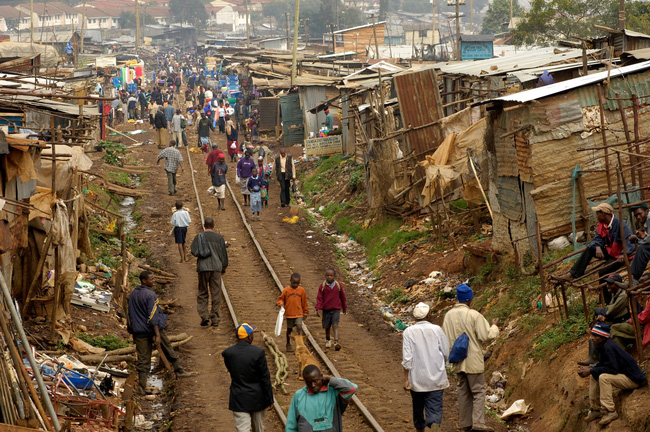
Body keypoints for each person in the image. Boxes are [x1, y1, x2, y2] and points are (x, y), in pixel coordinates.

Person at [442, 284, 498, 432]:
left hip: (457, 360)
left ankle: (464, 423)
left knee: (463, 392)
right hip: (473, 360)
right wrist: (494, 326)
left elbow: (445, 338)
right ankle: (478, 422)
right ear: (470, 299)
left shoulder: (448, 315)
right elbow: (486, 335)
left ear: (457, 298)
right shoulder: (474, 315)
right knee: (478, 391)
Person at [127, 271, 192, 394]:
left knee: (143, 358)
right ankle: (179, 370)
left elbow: (131, 314)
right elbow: (153, 316)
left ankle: (142, 387)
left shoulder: (133, 294)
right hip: (152, 329)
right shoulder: (150, 295)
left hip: (139, 331)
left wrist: (132, 331)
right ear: (144, 281)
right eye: (151, 279)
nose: (154, 280)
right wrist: (157, 334)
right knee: (168, 348)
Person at [578, 323, 646, 426]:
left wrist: (591, 370)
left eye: (595, 336)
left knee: (603, 377)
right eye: (592, 335)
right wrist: (591, 369)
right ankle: (595, 409)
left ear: (603, 337)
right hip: (624, 375)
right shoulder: (604, 345)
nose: (592, 338)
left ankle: (610, 411)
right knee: (594, 374)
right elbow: (604, 364)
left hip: (633, 380)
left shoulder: (609, 347)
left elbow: (612, 369)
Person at [556, 203, 634, 283]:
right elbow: (598, 238)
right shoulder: (601, 225)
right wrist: (597, 246)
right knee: (590, 248)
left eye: (597, 213)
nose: (596, 216)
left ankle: (605, 295)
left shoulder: (619, 223)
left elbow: (629, 239)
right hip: (611, 252)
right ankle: (572, 274)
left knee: (603, 272)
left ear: (603, 214)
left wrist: (624, 253)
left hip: (619, 256)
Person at [403, 303, 450, 432]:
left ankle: (419, 427)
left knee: (418, 405)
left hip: (417, 378)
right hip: (436, 376)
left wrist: (406, 379)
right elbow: (445, 351)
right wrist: (444, 364)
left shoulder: (408, 332)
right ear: (429, 314)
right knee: (435, 405)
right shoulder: (437, 330)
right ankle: (434, 423)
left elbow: (407, 358)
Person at [222, 323, 274, 432]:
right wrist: (269, 398)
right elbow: (264, 377)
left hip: (239, 398)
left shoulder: (228, 353)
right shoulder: (258, 352)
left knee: (242, 429)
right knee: (259, 428)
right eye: (252, 334)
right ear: (249, 336)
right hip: (257, 398)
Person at [286, 365, 357, 432]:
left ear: (321, 377)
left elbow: (352, 388)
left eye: (315, 381)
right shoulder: (299, 395)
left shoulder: (333, 392)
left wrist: (330, 380)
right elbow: (291, 425)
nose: (313, 385)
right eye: (308, 382)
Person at [190, 218, 229, 327]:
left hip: (203, 268)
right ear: (213, 225)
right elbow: (223, 255)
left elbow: (193, 251)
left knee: (202, 292)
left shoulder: (199, 237)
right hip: (216, 268)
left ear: (204, 225)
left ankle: (204, 316)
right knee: (216, 293)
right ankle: (215, 318)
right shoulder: (219, 238)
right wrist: (223, 267)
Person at [610, 275, 650, 348]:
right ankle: (620, 357)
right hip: (640, 322)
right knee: (617, 336)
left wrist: (631, 320)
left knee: (614, 328)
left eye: (643, 283)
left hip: (644, 327)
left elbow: (645, 316)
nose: (640, 286)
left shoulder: (623, 296)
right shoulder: (645, 295)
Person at [315, 269, 347, 350]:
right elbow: (319, 298)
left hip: (336, 309)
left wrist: (344, 307)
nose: (329, 277)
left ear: (334, 276)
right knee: (327, 326)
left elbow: (342, 297)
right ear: (325, 276)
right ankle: (328, 339)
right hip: (326, 310)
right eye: (328, 275)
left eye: (331, 276)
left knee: (335, 324)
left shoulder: (338, 285)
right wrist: (318, 308)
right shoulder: (322, 286)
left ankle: (336, 341)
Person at [277, 273, 308, 352]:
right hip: (289, 314)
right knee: (289, 329)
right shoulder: (286, 290)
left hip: (298, 313)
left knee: (299, 327)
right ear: (290, 281)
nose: (295, 285)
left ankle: (301, 345)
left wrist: (305, 312)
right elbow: (281, 299)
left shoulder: (302, 290)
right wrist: (280, 303)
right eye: (294, 283)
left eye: (297, 283)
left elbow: (304, 302)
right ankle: (288, 343)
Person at [629, 203, 650, 281]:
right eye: (636, 215)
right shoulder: (645, 221)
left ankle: (634, 280)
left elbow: (649, 239)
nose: (638, 217)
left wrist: (637, 240)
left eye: (639, 214)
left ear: (647, 211)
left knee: (643, 249)